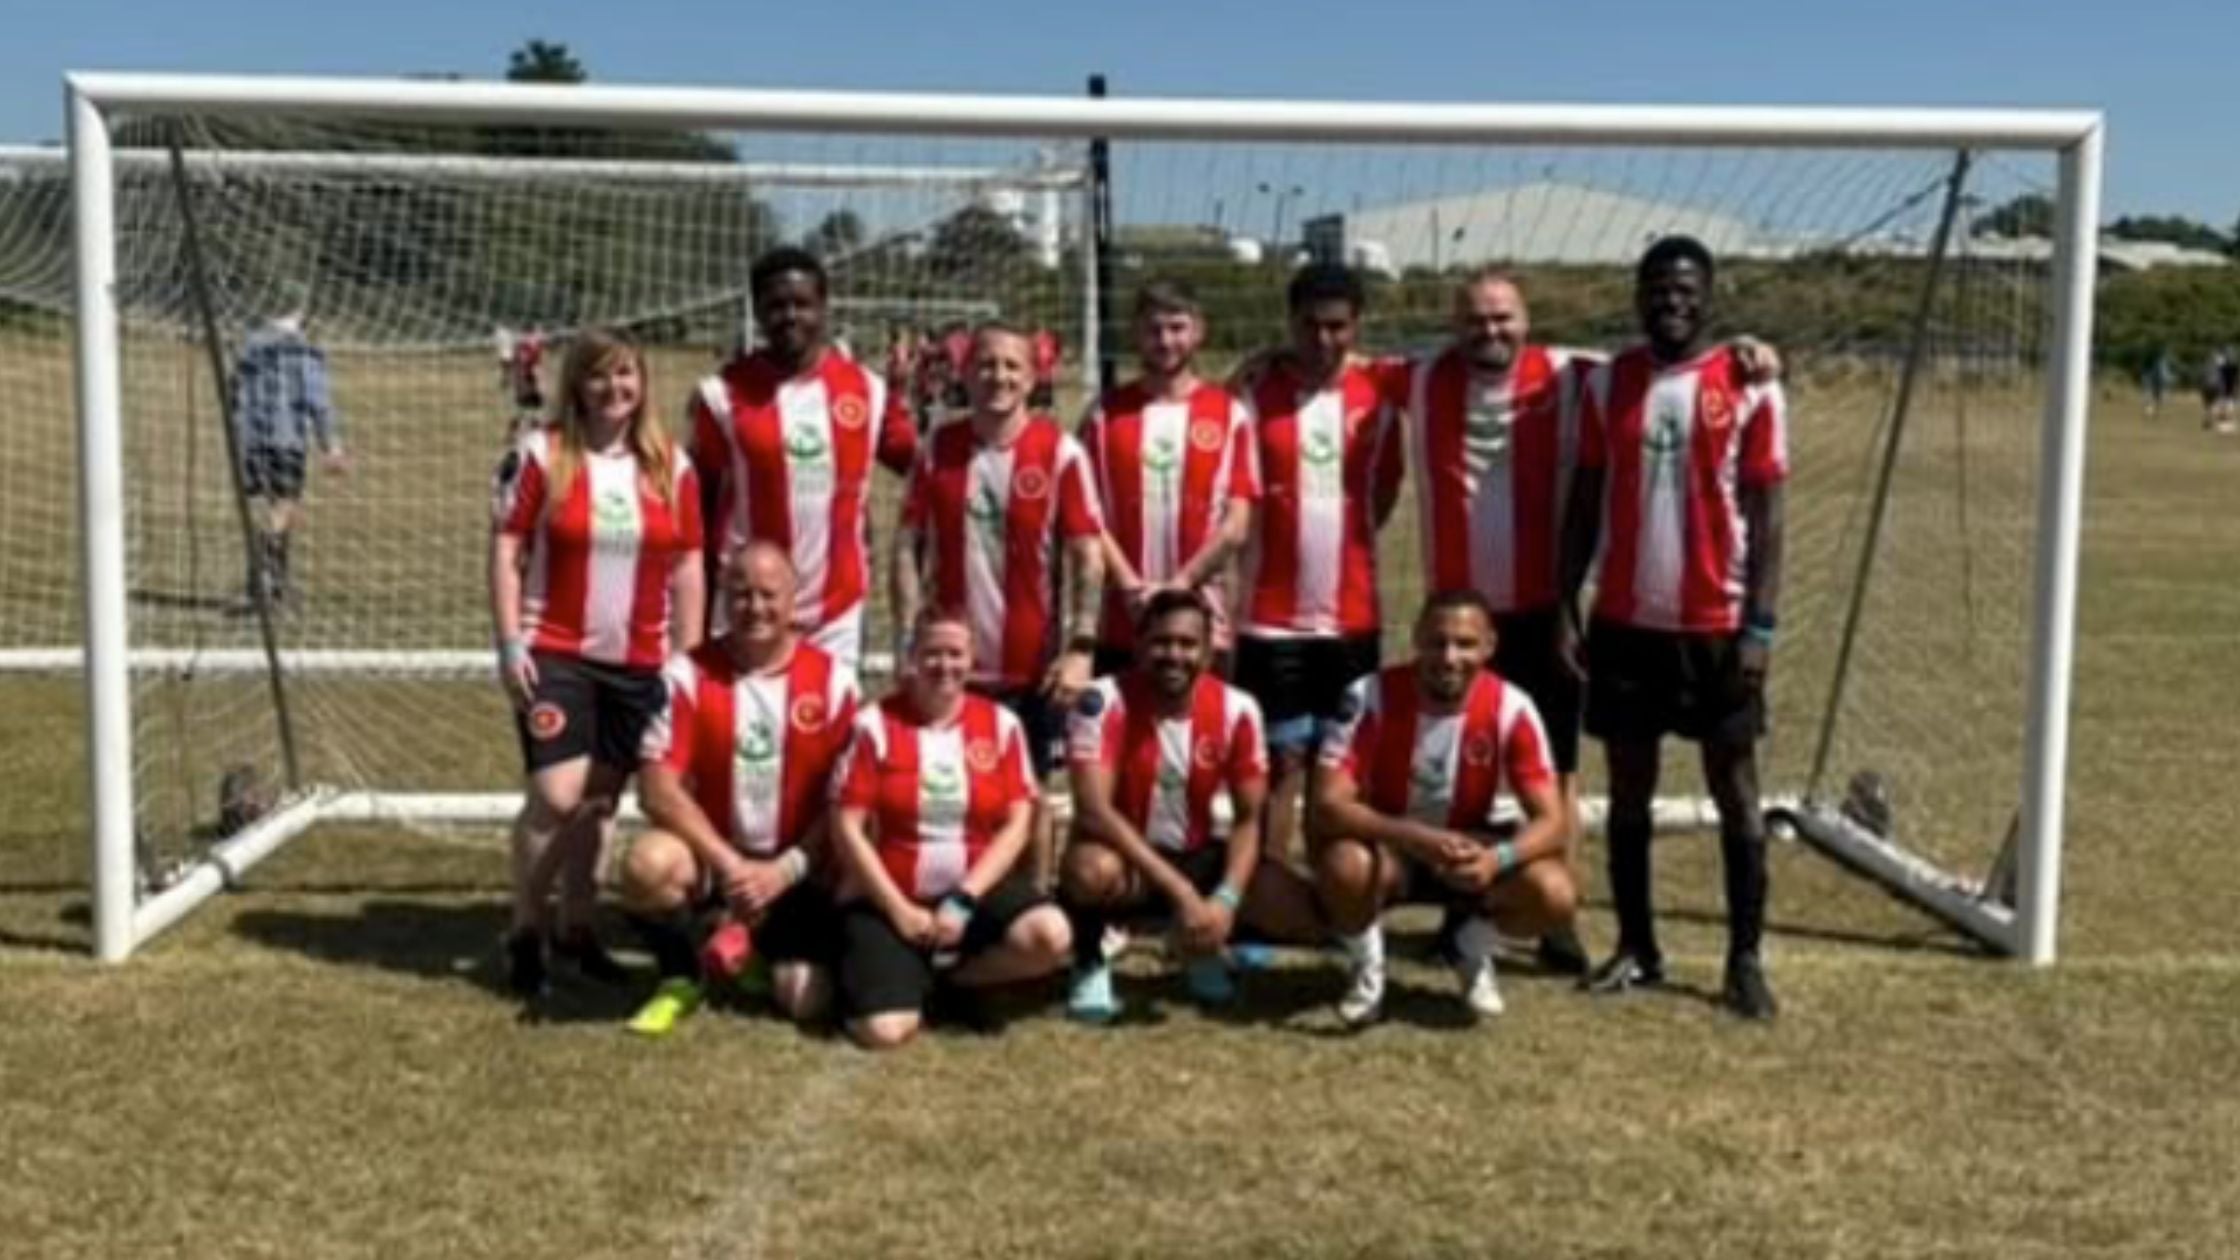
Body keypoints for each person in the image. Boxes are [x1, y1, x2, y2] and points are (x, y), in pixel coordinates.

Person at [1560, 235, 1789, 1019]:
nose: (1672, 300)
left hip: (1718, 624)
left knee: (1737, 788)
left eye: (1686, 289)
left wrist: (1762, 626)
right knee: (1629, 791)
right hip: (1624, 621)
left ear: (1710, 296)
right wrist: (1568, 599)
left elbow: (1768, 516)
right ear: (1638, 295)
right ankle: (1637, 948)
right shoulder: (1605, 383)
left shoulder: (1750, 384)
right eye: (1658, 287)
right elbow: (1587, 497)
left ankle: (1744, 959)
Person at [490, 328, 706, 1000]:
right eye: (600, 377)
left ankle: (579, 933)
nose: (614, 390)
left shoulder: (672, 466)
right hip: (555, 651)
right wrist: (509, 642)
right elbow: (506, 549)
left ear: (642, 385)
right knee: (556, 797)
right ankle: (527, 930)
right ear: (577, 385)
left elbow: (690, 566)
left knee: (600, 804)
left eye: (627, 377)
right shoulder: (542, 454)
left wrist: (686, 664)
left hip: (639, 664)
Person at [890, 322, 1107, 887]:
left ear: (1033, 377)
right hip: (950, 666)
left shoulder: (1060, 452)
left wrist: (1082, 646)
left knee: (1029, 794)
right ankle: (949, 900)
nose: (999, 376)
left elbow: (1087, 555)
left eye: (1012, 366)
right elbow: (906, 546)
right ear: (964, 372)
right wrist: (909, 637)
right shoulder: (939, 448)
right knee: (948, 790)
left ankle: (1033, 905)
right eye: (986, 364)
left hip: (1030, 667)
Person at [619, 541, 860, 1036]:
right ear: (722, 598)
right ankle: (680, 977)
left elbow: (848, 801)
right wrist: (731, 866)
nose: (756, 608)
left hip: (796, 868)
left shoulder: (835, 681)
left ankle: (749, 947)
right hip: (718, 862)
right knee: (647, 864)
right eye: (741, 594)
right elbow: (656, 788)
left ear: (794, 601)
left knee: (804, 1000)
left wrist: (785, 869)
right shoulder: (687, 673)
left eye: (769, 595)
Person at [1058, 589, 1326, 1022]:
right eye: (1162, 642)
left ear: (1207, 651)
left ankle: (1201, 945)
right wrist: (1182, 893)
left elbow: (1248, 819)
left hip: (1198, 857)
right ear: (1139, 645)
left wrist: (1225, 899)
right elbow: (1094, 811)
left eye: (1187, 644)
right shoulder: (1102, 701)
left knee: (1303, 916)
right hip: (1128, 861)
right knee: (1089, 870)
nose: (1174, 655)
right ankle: (1089, 958)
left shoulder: (1238, 708)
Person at [1309, 590, 1575, 1026]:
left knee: (1556, 894)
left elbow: (1552, 820)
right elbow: (1328, 805)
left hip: (1467, 852)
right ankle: (1368, 965)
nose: (1449, 657)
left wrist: (1495, 859)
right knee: (1344, 866)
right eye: (1437, 641)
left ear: (1489, 646)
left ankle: (1469, 947)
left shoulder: (1513, 706)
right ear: (1416, 639)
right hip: (1393, 849)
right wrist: (1416, 837)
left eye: (1465, 644)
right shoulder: (1369, 695)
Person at [828, 608, 1074, 1049]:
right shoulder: (874, 725)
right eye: (932, 653)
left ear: (972, 658)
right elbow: (846, 826)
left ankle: (950, 978)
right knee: (883, 1033)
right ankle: (884, 979)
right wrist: (898, 909)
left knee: (1051, 937)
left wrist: (964, 899)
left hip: (973, 893)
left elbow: (1020, 821)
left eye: (956, 653)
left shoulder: (1001, 724)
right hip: (892, 899)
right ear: (912, 657)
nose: (945, 665)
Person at [1232, 263, 1405, 866]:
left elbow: (1383, 492)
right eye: (1310, 326)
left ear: (1357, 326)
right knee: (1280, 764)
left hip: (1352, 619)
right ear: (1291, 325)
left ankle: (1337, 897)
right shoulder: (1253, 393)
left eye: (1338, 326)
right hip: (1268, 618)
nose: (1324, 339)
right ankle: (1272, 899)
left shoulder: (1379, 397)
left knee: (1342, 767)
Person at [690, 247, 918, 669]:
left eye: (802, 304)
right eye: (776, 305)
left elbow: (919, 465)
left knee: (827, 733)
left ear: (823, 308)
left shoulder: (869, 391)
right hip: (747, 605)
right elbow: (699, 504)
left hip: (834, 610)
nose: (790, 316)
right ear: (756, 311)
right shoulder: (720, 395)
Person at [1078, 279, 1259, 678]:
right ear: (1136, 334)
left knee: (1199, 736)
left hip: (1202, 622)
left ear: (1198, 331)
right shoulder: (1103, 416)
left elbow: (1237, 524)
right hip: (1123, 621)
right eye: (1153, 328)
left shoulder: (1229, 414)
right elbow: (1087, 518)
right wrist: (1128, 585)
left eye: (1177, 327)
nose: (1165, 340)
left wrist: (1181, 584)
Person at [231, 295, 346, 609]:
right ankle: (266, 580)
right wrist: (331, 445)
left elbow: (233, 394)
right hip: (286, 440)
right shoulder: (302, 351)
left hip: (249, 441)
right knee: (283, 508)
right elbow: (317, 401)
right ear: (299, 312)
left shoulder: (246, 348)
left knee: (263, 507)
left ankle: (271, 582)